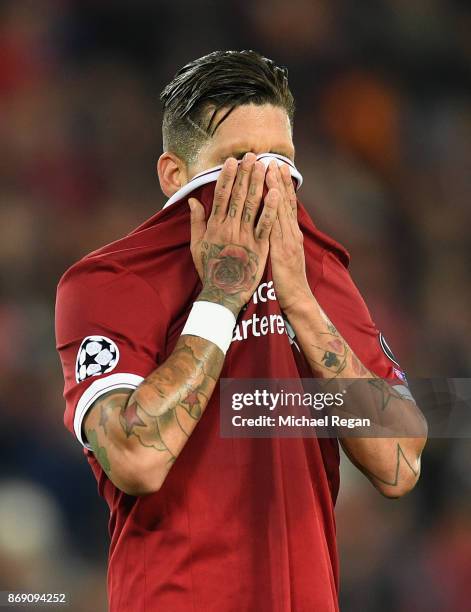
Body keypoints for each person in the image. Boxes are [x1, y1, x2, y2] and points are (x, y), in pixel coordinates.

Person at [55, 50, 427, 611]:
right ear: (174, 175)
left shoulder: (317, 269)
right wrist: (222, 296)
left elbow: (400, 462)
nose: (266, 180)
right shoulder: (108, 283)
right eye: (240, 159)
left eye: (281, 159)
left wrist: (300, 301)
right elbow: (136, 460)